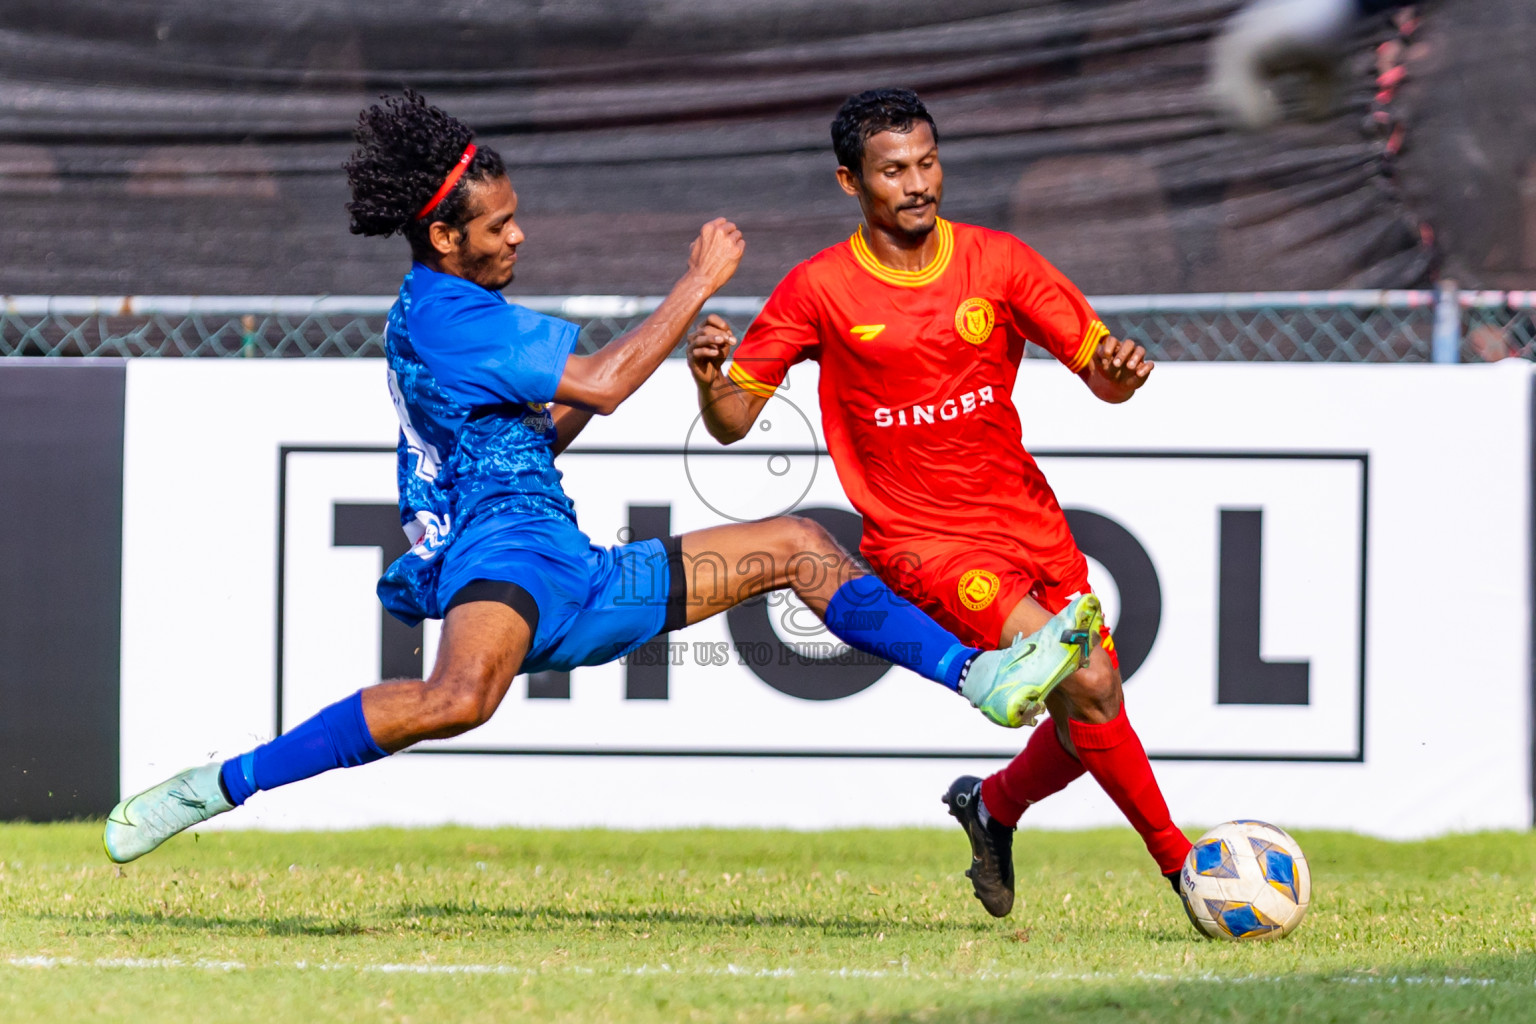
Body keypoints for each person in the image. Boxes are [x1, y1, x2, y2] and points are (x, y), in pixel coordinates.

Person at [103, 91, 1098, 865]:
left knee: (798, 546)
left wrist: (693, 369)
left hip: (568, 561)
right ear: (446, 238)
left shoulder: (453, 306)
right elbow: (606, 385)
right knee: (456, 699)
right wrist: (696, 285)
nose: (517, 235)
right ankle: (216, 786)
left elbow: (552, 423)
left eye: (515, 217)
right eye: (499, 226)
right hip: (505, 557)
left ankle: (983, 675)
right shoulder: (452, 312)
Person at [688, 89, 1192, 919]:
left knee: (1091, 710)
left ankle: (992, 808)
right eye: (894, 170)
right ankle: (1189, 871)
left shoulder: (999, 262)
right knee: (1091, 679)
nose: (918, 183)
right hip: (924, 544)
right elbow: (734, 423)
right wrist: (710, 381)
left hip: (1028, 520)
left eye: (928, 163)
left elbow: (1100, 370)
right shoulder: (819, 289)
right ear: (850, 182)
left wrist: (1123, 373)